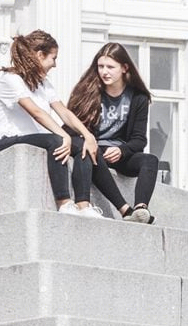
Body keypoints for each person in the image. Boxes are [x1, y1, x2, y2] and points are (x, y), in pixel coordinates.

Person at [0, 30, 97, 213]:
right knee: (56, 140)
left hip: (36, 138)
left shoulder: (43, 83)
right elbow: (36, 112)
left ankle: (84, 205)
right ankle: (64, 202)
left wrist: (88, 135)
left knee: (81, 145)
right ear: (40, 55)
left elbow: (63, 111)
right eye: (53, 58)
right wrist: (63, 134)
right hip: (7, 140)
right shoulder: (10, 79)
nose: (55, 65)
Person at [68, 42, 162, 224]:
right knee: (93, 153)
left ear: (124, 68)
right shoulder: (87, 91)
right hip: (94, 148)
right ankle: (125, 209)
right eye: (101, 66)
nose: (105, 72)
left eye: (110, 67)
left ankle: (141, 208)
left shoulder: (138, 98)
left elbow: (139, 139)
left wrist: (122, 150)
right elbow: (71, 125)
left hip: (120, 152)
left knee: (150, 160)